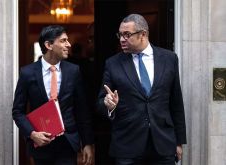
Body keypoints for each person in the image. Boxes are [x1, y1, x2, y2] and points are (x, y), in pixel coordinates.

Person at [97, 14, 186, 165]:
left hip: (163, 144)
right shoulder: (113, 63)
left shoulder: (169, 59)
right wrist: (108, 105)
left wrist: (179, 141)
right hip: (128, 145)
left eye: (127, 34)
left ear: (143, 34)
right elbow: (100, 102)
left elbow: (176, 101)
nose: (121, 39)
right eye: (120, 34)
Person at [12, 25, 94, 165]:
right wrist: (32, 134)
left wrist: (87, 143)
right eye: (63, 41)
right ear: (49, 45)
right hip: (41, 144)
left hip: (68, 144)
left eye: (67, 40)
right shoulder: (27, 73)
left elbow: (82, 110)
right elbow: (17, 112)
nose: (68, 45)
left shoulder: (73, 71)